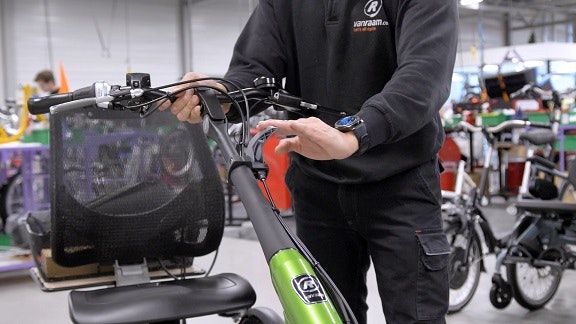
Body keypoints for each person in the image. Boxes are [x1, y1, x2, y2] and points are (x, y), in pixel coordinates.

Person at [161, 1, 458, 323]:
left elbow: (423, 75)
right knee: (322, 315)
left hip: (401, 183)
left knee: (416, 316)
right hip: (317, 187)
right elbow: (255, 72)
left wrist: (355, 133)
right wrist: (221, 94)